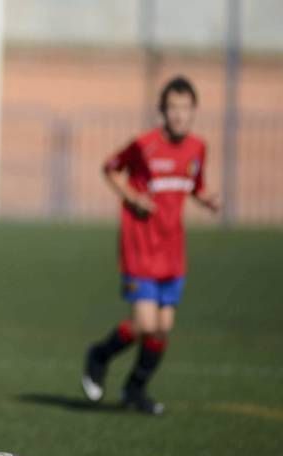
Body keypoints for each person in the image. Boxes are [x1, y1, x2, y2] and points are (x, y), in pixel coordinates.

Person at [81, 76, 220, 415]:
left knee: (163, 327)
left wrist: (206, 199)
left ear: (193, 111)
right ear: (162, 110)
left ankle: (134, 389)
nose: (179, 115)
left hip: (172, 250)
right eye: (173, 108)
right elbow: (110, 169)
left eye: (185, 109)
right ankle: (99, 355)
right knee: (144, 323)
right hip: (140, 246)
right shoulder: (144, 145)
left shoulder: (197, 148)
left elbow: (194, 185)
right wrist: (133, 197)